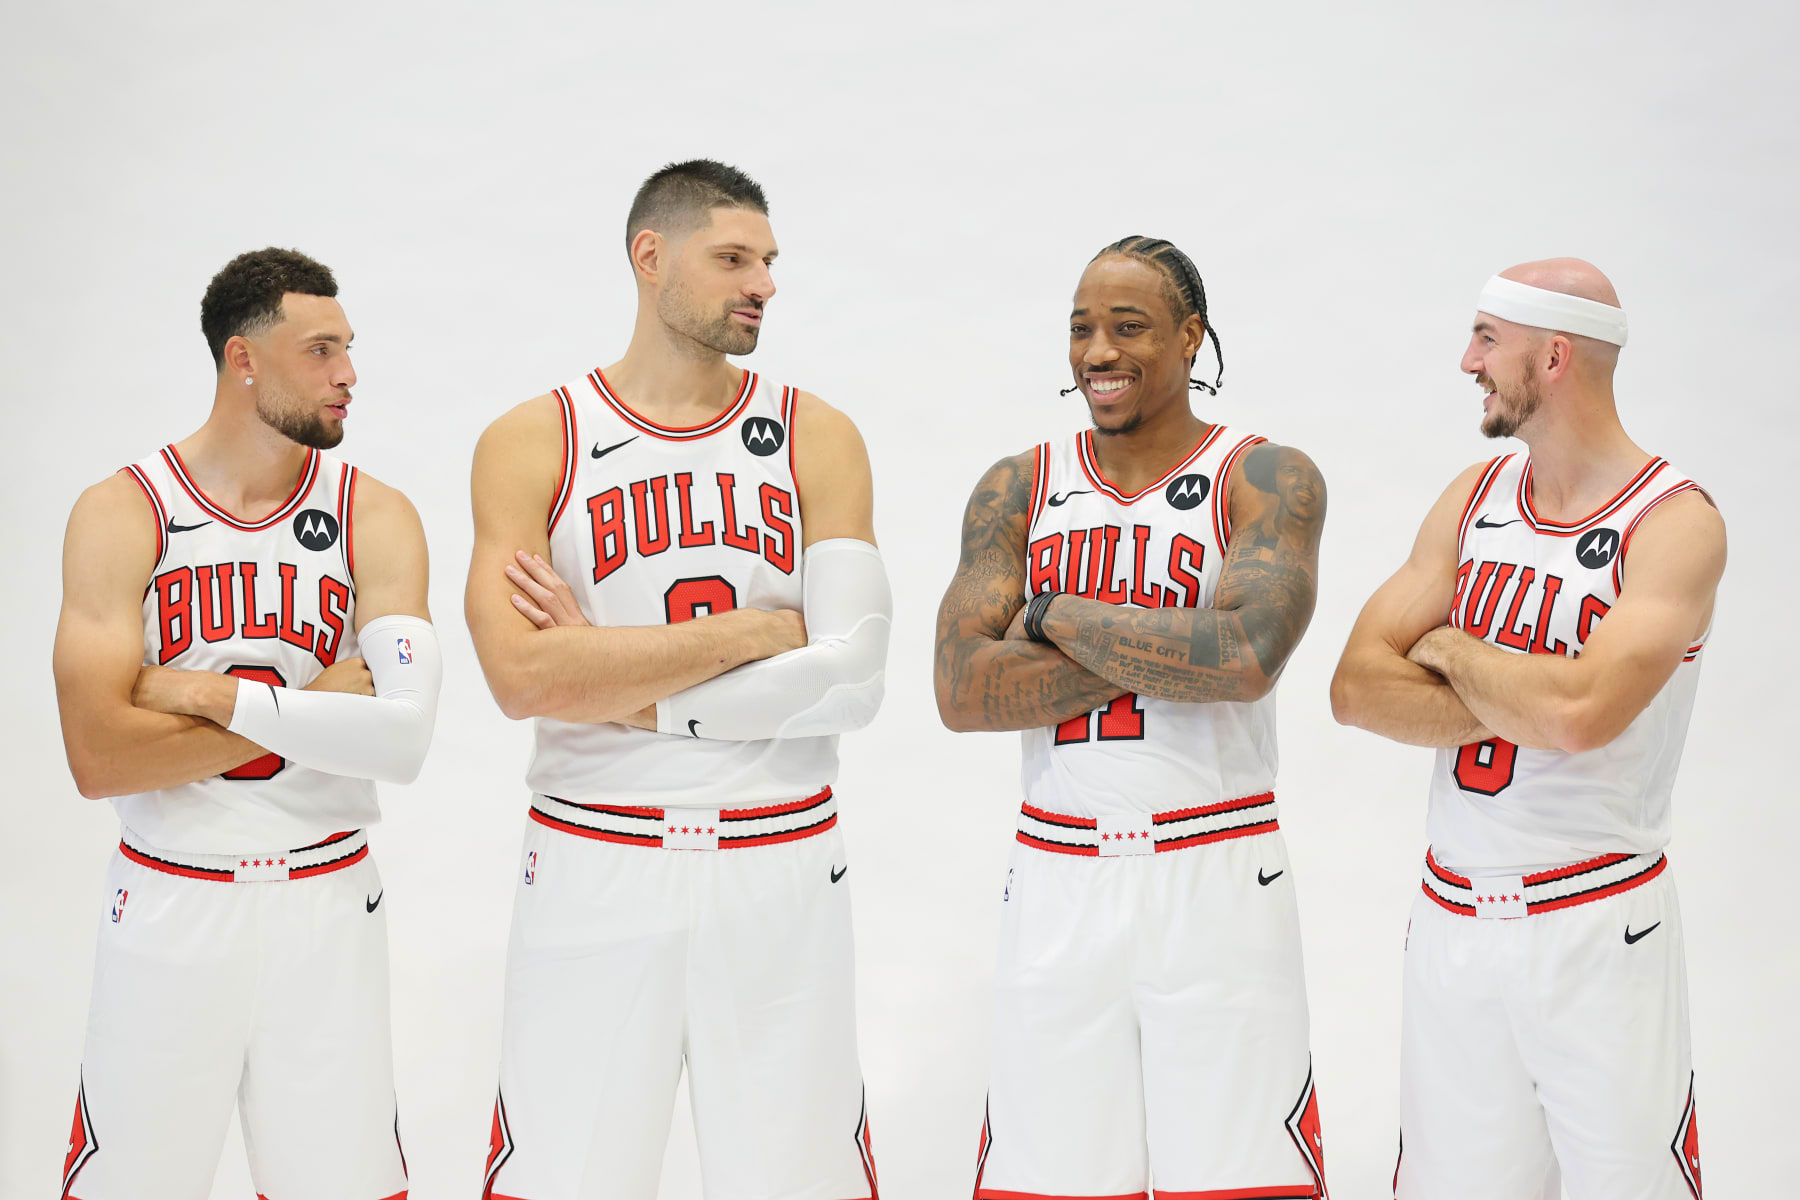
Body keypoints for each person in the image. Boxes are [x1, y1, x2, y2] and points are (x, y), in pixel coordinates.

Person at [465, 159, 891, 1200]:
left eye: (770, 262)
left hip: (779, 858)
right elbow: (522, 678)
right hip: (593, 858)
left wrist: (617, 683)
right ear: (649, 259)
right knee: (564, 1179)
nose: (766, 284)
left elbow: (854, 678)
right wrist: (757, 633)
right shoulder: (535, 438)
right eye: (734, 258)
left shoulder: (813, 433)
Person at [934, 236, 1330, 1199]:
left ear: (1192, 337)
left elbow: (1242, 661)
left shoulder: (1266, 475)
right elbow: (959, 691)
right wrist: (1162, 650)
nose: (1097, 352)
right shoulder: (1018, 485)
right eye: (1080, 329)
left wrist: (1054, 617)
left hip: (1216, 866)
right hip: (1060, 872)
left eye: (1127, 327)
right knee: (1049, 1182)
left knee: (1241, 1185)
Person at [52, 247, 439, 1200]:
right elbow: (99, 758)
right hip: (170, 900)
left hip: (327, 899)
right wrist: (314, 712)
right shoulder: (121, 511)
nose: (348, 373)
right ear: (244, 359)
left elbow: (402, 739)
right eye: (320, 351)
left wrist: (207, 694)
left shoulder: (375, 515)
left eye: (349, 349)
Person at [1330, 259, 1720, 1200]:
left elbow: (1583, 718)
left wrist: (1456, 647)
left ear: (1553, 356)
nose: (1467, 360)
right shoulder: (1473, 498)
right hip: (1454, 922)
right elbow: (1352, 688)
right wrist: (1532, 695)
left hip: (1597, 925)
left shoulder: (1674, 523)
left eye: (1487, 340)